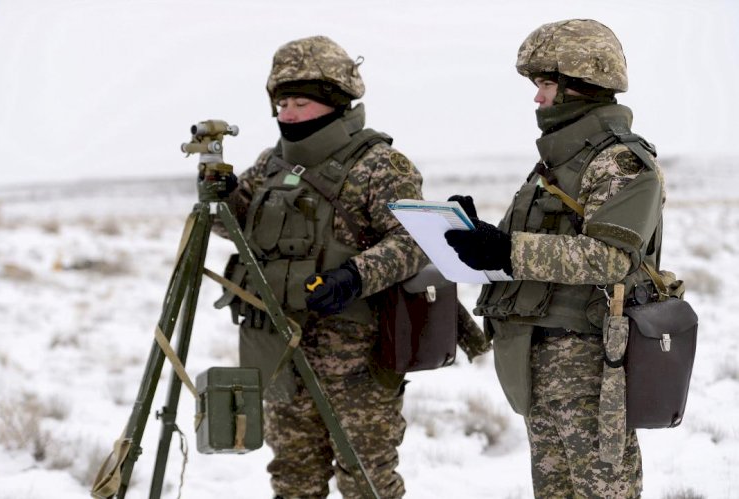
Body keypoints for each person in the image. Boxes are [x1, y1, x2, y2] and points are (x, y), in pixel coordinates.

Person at [445, 19, 666, 498]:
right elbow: (524, 253)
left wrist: (507, 249)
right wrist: (475, 236)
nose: (537, 98)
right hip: (538, 357)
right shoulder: (556, 163)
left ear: (579, 84)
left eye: (546, 84)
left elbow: (611, 259)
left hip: (589, 364)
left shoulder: (620, 161)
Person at [213, 35, 428, 498]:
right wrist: (224, 197)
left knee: (367, 481)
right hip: (280, 350)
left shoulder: (379, 165)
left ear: (335, 102)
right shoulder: (270, 164)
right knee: (292, 479)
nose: (287, 114)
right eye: (282, 103)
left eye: (301, 103)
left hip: (356, 362)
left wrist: (355, 275)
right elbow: (237, 228)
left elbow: (415, 242)